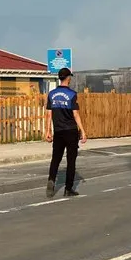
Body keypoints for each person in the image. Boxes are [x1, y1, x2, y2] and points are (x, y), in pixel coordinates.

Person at [45, 68, 87, 198]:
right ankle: (68, 189)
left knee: (55, 158)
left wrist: (48, 131)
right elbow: (76, 114)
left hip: (58, 131)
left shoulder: (51, 94)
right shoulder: (72, 94)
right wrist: (83, 131)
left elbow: (48, 114)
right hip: (70, 131)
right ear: (68, 78)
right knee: (71, 160)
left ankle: (51, 179)